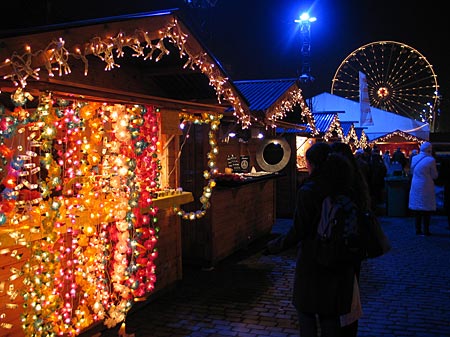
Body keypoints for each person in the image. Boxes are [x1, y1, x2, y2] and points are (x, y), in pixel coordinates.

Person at [266, 142, 363, 337]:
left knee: (307, 312)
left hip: (313, 259)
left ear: (313, 164)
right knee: (330, 315)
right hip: (339, 259)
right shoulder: (345, 186)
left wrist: (274, 246)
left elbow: (299, 230)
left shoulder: (309, 191)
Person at [408, 142, 438, 236]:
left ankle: (417, 229)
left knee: (417, 208)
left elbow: (412, 171)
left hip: (415, 184)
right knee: (426, 208)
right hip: (426, 185)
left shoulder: (414, 158)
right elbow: (434, 175)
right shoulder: (431, 160)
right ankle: (426, 230)